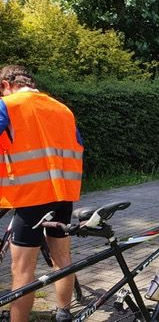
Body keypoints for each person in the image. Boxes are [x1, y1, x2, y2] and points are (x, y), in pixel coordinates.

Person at [0, 65, 83, 322]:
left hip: (30, 197)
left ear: (6, 84)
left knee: (22, 270)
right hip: (63, 194)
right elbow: (78, 145)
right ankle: (63, 312)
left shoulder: (9, 105)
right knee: (62, 258)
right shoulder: (62, 109)